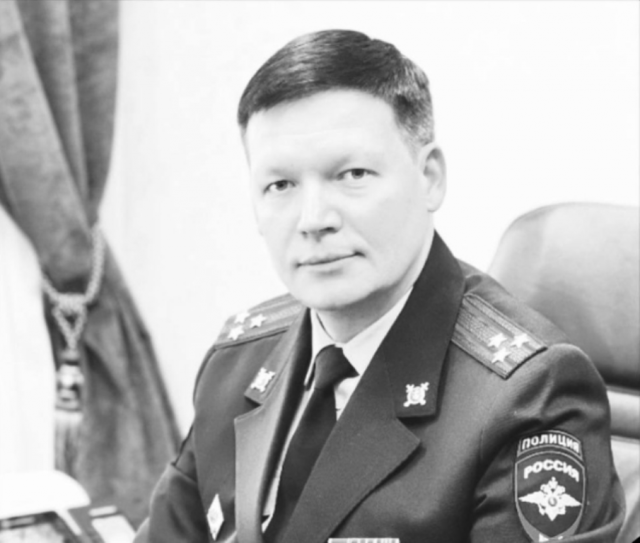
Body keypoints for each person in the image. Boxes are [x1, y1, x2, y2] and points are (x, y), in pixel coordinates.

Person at [134, 30, 624, 543]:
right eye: (280, 185)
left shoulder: (526, 396)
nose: (313, 219)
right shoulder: (235, 362)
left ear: (429, 177)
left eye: (352, 174)